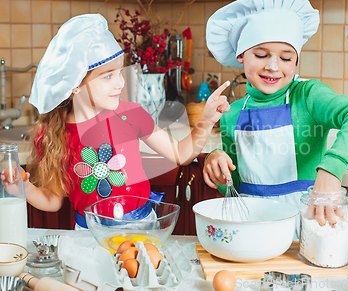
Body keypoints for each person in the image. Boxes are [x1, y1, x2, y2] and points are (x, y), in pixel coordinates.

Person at [23, 13, 230, 229]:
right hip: (89, 235)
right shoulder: (53, 135)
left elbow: (181, 154)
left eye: (120, 72)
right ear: (74, 84)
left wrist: (206, 120)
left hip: (143, 230)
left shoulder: (130, 114)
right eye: (107, 76)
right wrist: (26, 188)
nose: (120, 83)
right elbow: (52, 201)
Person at [203, 0, 348, 229]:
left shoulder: (308, 96)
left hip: (306, 229)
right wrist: (217, 163)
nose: (273, 66)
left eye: (286, 57)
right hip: (251, 231)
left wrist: (332, 169)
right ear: (241, 56)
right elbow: (235, 187)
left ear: (296, 61)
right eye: (261, 54)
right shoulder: (232, 113)